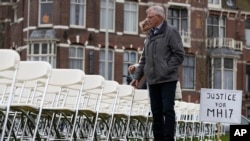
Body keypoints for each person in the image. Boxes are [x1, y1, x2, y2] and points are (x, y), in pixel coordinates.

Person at [130, 5, 184, 141]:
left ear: (159, 17)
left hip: (167, 80)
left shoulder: (171, 32)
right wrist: (137, 77)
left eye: (150, 17)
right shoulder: (150, 35)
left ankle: (168, 138)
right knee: (156, 112)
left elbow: (179, 55)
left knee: (167, 110)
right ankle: (158, 138)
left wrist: (165, 69)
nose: (147, 20)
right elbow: (144, 59)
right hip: (152, 80)